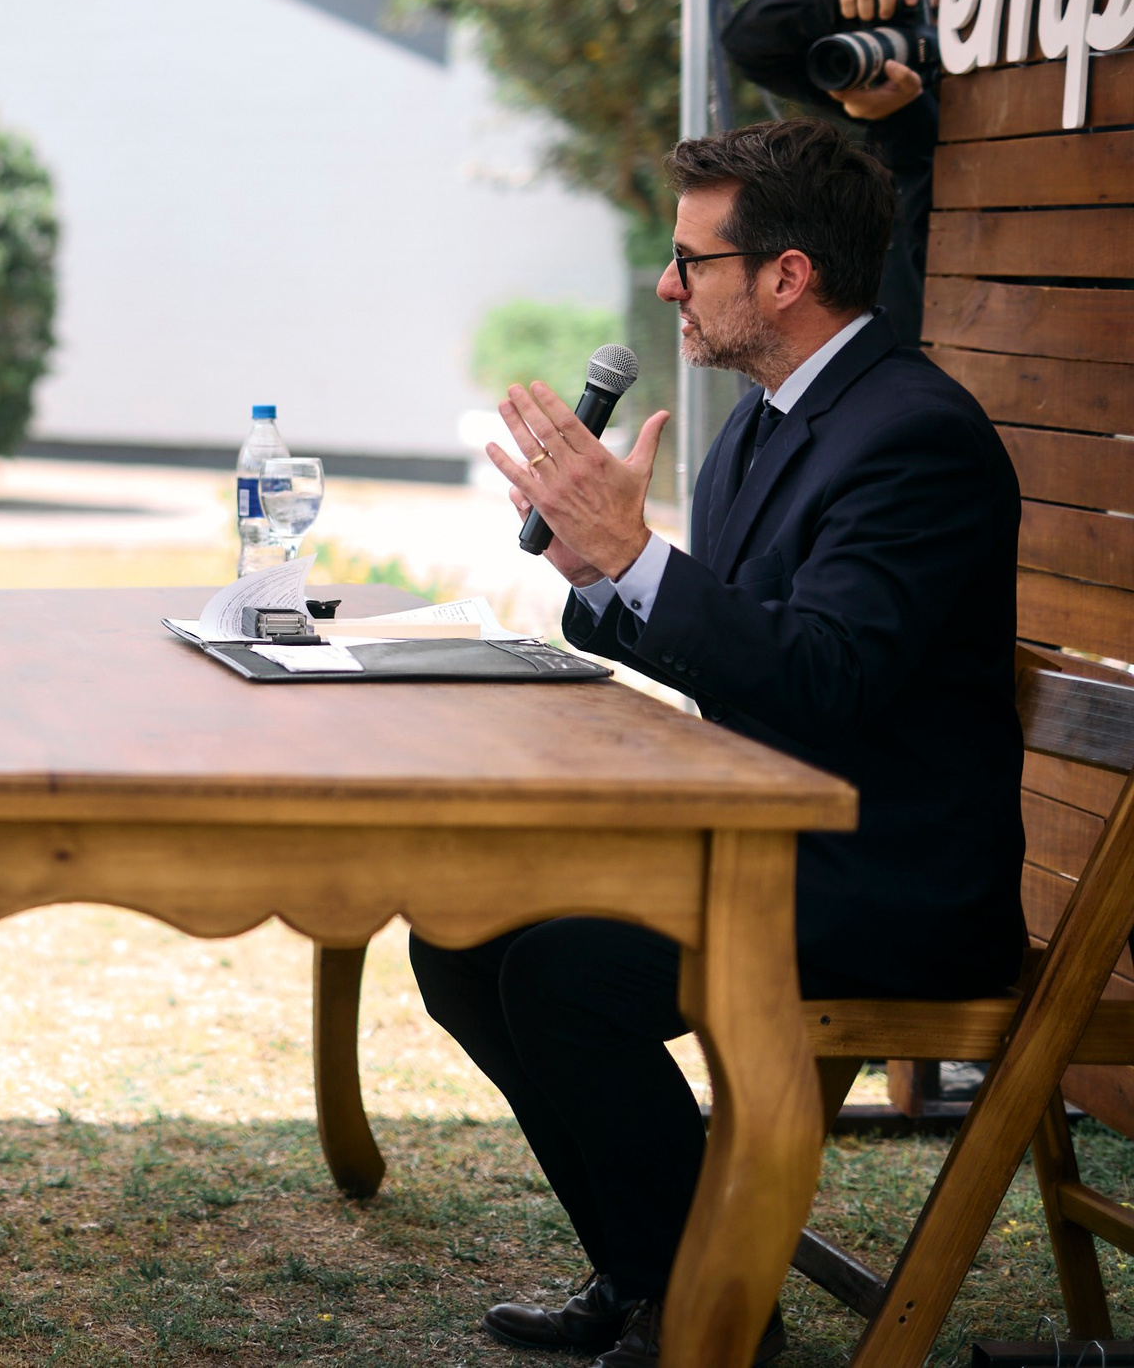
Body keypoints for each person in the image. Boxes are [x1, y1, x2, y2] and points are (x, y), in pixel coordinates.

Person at [433, 117, 1022, 1368]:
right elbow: (741, 643)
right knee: (460, 932)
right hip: (766, 842)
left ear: (786, 275)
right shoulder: (763, 421)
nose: (666, 286)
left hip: (881, 878)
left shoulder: (915, 435)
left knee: (564, 974)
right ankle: (655, 1272)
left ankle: (711, 1313)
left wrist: (639, 556)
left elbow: (824, 677)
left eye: (690, 260)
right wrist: (604, 571)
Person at [722, 0, 950, 348]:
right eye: (928, 14)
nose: (937, 38)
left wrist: (912, 118)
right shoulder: (889, 86)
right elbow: (748, 42)